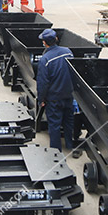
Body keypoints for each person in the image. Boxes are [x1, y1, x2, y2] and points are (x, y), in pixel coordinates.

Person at [36, 28, 81, 157]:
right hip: (68, 95)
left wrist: (41, 99)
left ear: (44, 43)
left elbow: (42, 83)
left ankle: (56, 152)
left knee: (54, 124)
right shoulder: (68, 52)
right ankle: (70, 145)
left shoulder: (45, 59)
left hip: (54, 98)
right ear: (56, 39)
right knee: (68, 121)